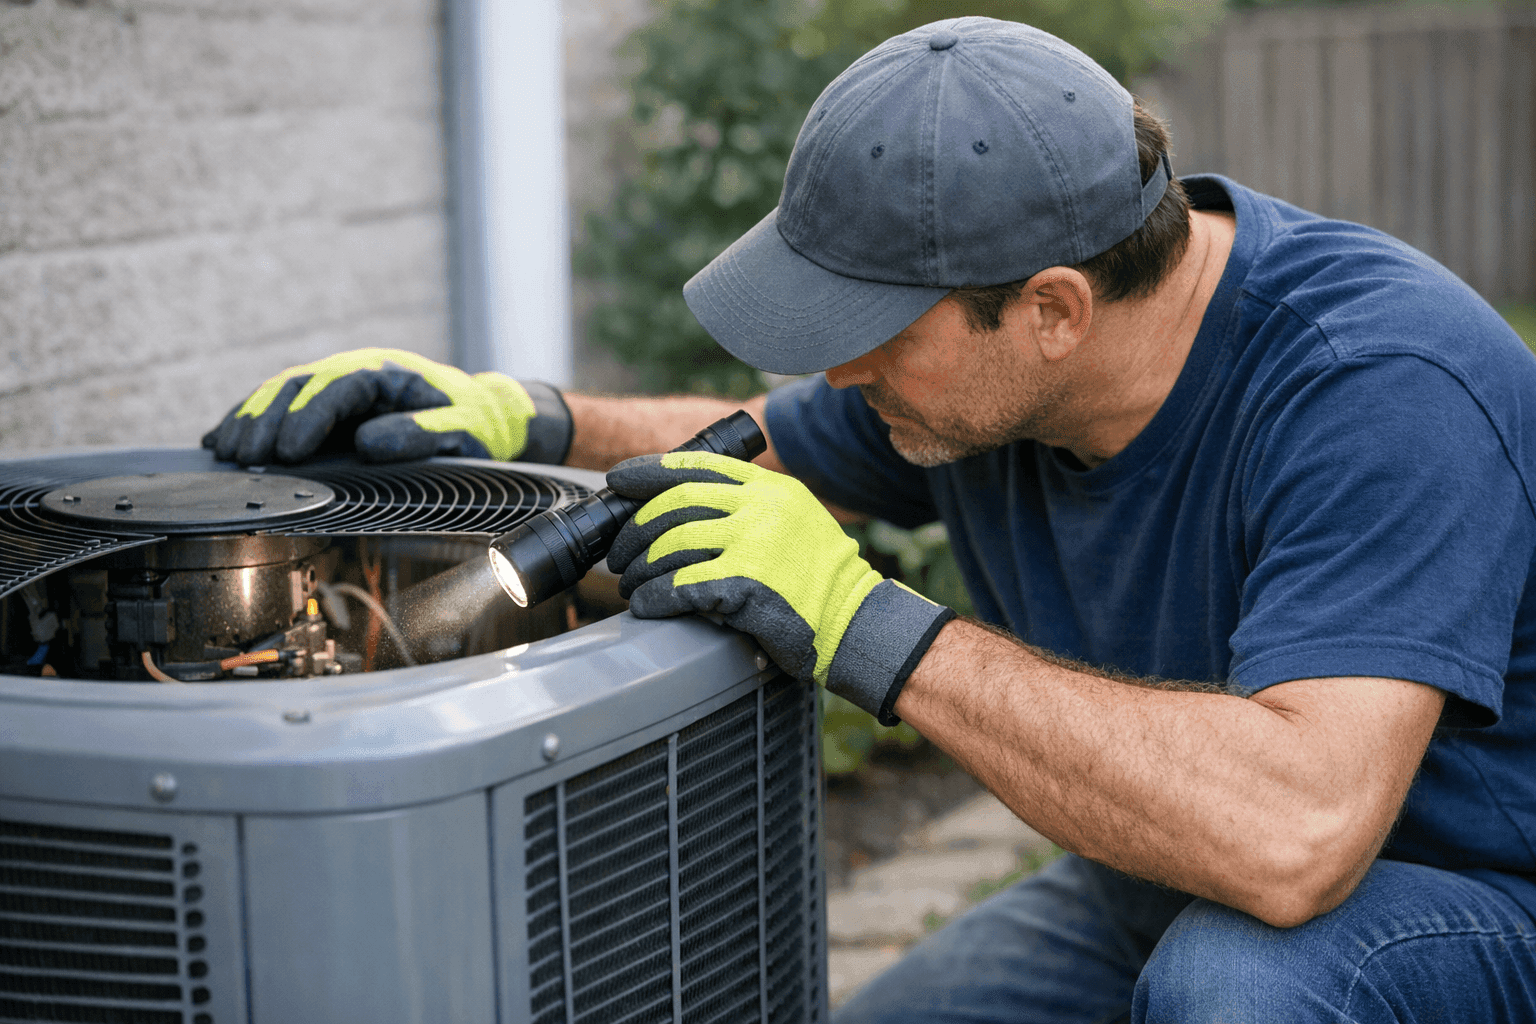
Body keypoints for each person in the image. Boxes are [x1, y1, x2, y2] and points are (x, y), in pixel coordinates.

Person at [203, 17, 1536, 1023]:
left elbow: (1294, 839)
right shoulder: (975, 387)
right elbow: (757, 449)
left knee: (1237, 986)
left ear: (1055, 309)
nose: (838, 371)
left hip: (1456, 903)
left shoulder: (1380, 390)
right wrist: (526, 420)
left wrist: (869, 627)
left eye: (874, 334)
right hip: (1155, 875)